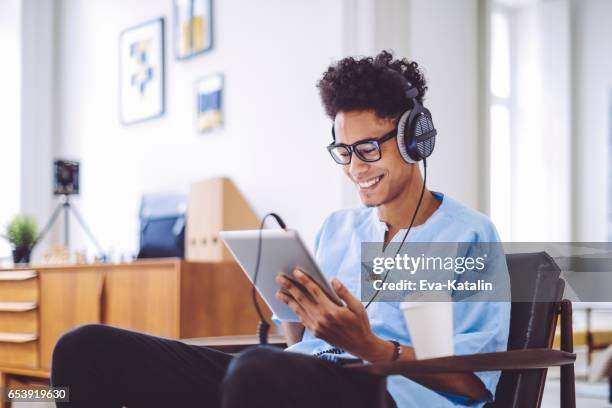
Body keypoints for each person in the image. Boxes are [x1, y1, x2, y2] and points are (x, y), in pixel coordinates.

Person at [51, 50, 510, 407]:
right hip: (290, 382)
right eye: (344, 151)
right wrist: (300, 313)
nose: (355, 168)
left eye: (369, 148)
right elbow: (302, 350)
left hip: (389, 394)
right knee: (84, 347)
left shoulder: (468, 235)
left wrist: (369, 345)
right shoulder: (338, 228)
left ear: (414, 138)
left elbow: (472, 381)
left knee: (256, 370)